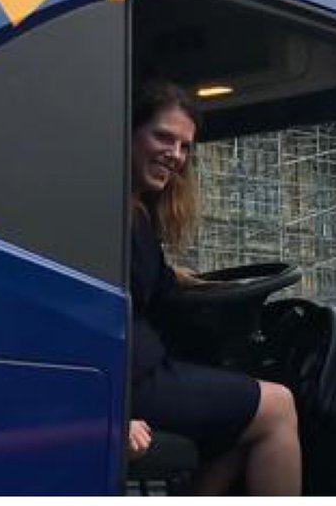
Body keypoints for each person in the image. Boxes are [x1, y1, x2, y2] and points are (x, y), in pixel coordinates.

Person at [129, 81, 302, 495]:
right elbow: (88, 308)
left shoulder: (134, 213)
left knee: (240, 426)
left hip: (137, 374)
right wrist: (113, 409)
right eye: (163, 137)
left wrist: (187, 279)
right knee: (278, 407)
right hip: (130, 383)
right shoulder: (113, 214)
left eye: (185, 146)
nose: (175, 155)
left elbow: (153, 285)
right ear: (129, 132)